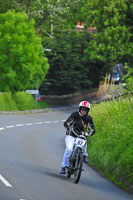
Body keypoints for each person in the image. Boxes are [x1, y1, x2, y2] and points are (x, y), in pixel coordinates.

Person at [60, 100, 95, 174]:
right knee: (69, 149)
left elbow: (92, 129)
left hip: (81, 135)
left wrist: (90, 133)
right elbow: (67, 122)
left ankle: (84, 156)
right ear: (79, 109)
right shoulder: (74, 115)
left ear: (88, 111)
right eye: (82, 109)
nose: (83, 111)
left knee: (84, 141)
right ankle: (64, 167)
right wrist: (68, 126)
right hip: (71, 135)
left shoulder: (89, 118)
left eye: (86, 110)